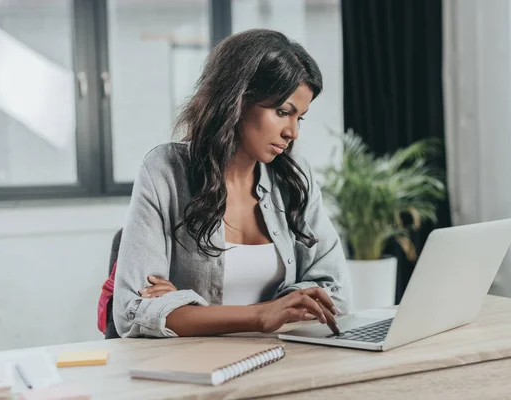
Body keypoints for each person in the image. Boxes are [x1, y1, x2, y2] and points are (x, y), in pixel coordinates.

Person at [112, 29, 351, 339]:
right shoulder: (165, 171)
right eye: (282, 112)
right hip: (196, 366)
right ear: (236, 100)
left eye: (299, 118)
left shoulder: (294, 179)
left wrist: (183, 309)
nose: (292, 132)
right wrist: (260, 315)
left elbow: (337, 294)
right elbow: (132, 312)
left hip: (282, 358)